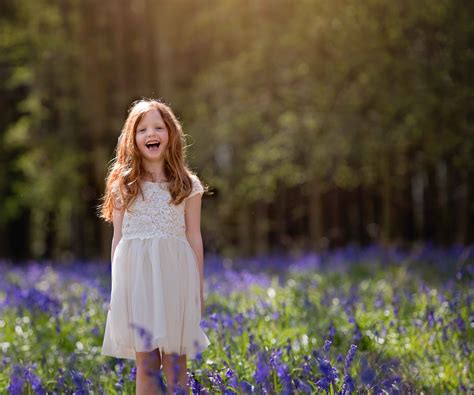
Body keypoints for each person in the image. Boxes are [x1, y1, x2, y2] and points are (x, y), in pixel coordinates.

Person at [97, 98, 211, 394]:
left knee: (175, 364)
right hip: (137, 283)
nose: (151, 134)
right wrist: (117, 289)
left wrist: (198, 288)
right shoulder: (123, 185)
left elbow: (194, 237)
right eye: (143, 129)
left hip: (175, 279)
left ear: (171, 134)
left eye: (158, 127)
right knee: (146, 364)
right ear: (132, 139)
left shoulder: (187, 184)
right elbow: (118, 239)